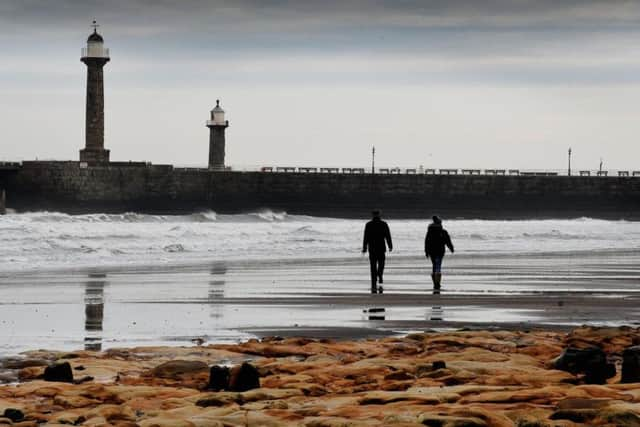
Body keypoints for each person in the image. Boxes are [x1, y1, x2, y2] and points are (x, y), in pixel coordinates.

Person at [362, 210, 392, 294]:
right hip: (381, 247)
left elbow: (366, 237)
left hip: (372, 248)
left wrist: (364, 247)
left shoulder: (368, 224)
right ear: (379, 215)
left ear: (372, 215)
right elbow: (387, 235)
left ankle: (374, 280)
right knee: (381, 263)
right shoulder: (383, 224)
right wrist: (390, 245)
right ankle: (380, 273)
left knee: (373, 265)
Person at [424, 215, 454, 292]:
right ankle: (437, 283)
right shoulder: (443, 232)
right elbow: (447, 241)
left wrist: (426, 251)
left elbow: (427, 242)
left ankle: (435, 283)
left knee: (434, 265)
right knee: (438, 266)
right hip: (440, 251)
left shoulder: (429, 232)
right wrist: (451, 248)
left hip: (431, 251)